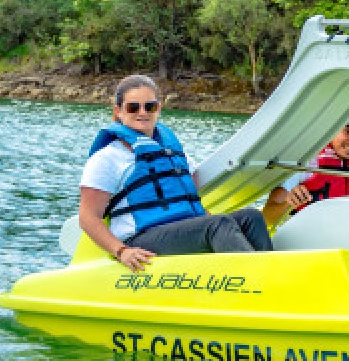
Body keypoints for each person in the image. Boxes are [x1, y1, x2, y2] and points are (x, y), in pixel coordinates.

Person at [79, 75, 272, 272]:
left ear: (158, 109)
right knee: (218, 225)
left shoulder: (173, 153)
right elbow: (88, 217)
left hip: (181, 229)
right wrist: (121, 251)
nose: (142, 112)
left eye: (150, 106)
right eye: (133, 107)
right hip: (141, 236)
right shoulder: (107, 158)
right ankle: (255, 278)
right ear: (118, 111)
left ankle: (269, 274)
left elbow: (189, 194)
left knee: (252, 218)